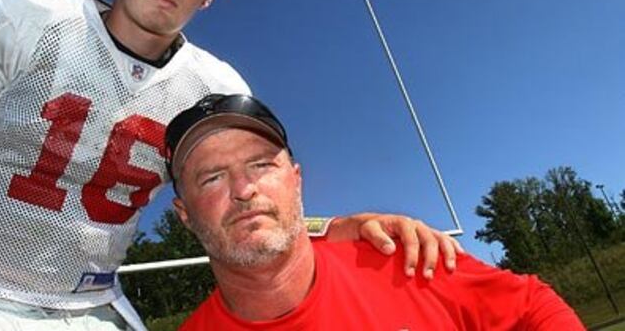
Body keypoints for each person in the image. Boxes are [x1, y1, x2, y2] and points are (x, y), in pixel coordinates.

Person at [0, 0, 460, 331]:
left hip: (96, 305)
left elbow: (236, 203)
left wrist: (333, 227)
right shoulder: (33, 19)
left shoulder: (212, 87)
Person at [167, 93, 585, 330]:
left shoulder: (402, 260)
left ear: (296, 179)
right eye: (212, 178)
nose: (244, 189)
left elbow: (531, 306)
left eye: (261, 165)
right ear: (184, 214)